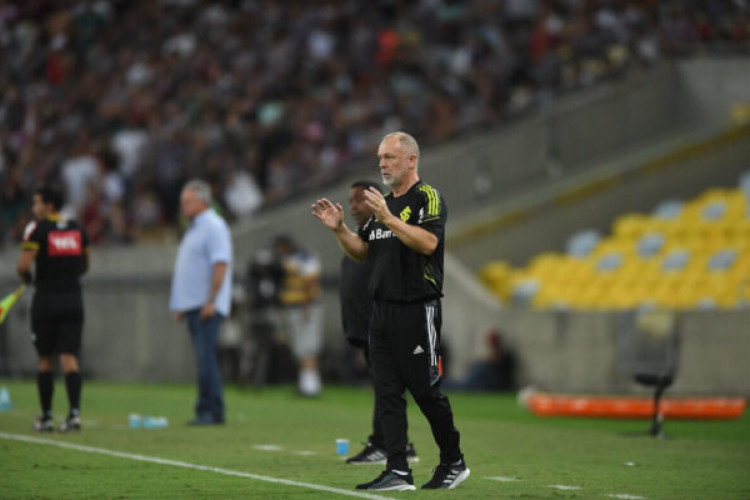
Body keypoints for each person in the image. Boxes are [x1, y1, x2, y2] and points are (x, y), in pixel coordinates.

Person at [312, 131, 469, 491]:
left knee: (426, 391)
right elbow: (363, 252)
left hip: (416, 310)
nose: (382, 163)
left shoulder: (426, 197)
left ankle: (453, 460)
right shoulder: (383, 204)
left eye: (389, 157)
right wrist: (339, 230)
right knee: (386, 392)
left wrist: (390, 219)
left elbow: (429, 243)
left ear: (411, 160)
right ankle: (398, 469)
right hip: (380, 313)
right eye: (380, 157)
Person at [340, 180, 419, 465]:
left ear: (376, 199)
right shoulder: (363, 235)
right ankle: (399, 443)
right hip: (369, 326)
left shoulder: (387, 231)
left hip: (386, 324)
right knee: (385, 385)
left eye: (359, 199)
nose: (353, 206)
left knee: (389, 386)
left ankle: (385, 444)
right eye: (350, 201)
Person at [17, 186, 89, 432]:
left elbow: (23, 267)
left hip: (46, 301)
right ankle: (74, 415)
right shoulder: (78, 229)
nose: (33, 208)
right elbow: (84, 265)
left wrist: (28, 280)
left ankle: (46, 417)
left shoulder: (38, 230)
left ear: (48, 206)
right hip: (73, 300)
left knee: (45, 360)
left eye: (36, 203)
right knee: (69, 358)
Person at [169, 179, 232, 425]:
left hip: (206, 306)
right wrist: (180, 304)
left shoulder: (214, 226)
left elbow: (221, 263)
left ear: (203, 200)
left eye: (187, 201)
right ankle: (209, 409)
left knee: (206, 359)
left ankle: (210, 410)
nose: (182, 206)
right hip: (194, 305)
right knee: (204, 358)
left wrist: (211, 300)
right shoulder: (195, 227)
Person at [274, 235, 324, 397]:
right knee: (300, 348)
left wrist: (306, 306)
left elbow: (311, 282)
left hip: (304, 307)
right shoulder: (290, 259)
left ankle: (311, 387)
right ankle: (306, 384)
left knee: (307, 347)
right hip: (295, 307)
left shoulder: (303, 258)